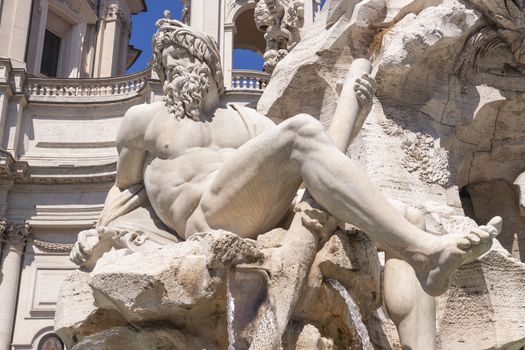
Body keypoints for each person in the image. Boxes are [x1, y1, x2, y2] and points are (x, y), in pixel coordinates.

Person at [70, 12, 500, 305]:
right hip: (202, 218)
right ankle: (424, 251)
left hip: (254, 210)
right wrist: (101, 236)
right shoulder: (144, 119)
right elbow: (125, 187)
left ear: (209, 63)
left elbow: (319, 154)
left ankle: (420, 274)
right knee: (297, 130)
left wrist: (354, 110)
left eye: (184, 54)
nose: (174, 64)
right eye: (166, 60)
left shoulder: (246, 119)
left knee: (410, 213)